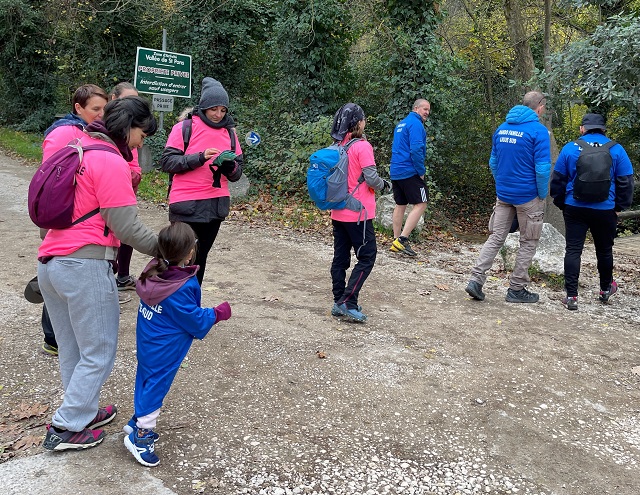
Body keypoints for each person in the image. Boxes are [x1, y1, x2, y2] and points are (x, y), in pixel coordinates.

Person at [38, 96, 159, 451]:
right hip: (85, 266)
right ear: (128, 128)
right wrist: (167, 250)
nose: (140, 144)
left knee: (74, 349)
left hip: (51, 264)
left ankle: (82, 410)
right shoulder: (109, 160)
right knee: (100, 350)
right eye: (141, 135)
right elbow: (126, 227)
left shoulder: (78, 149)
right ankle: (66, 426)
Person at [122, 222, 232, 466]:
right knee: (156, 386)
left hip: (148, 341)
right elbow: (194, 320)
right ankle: (141, 437)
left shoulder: (153, 270)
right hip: (166, 348)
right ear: (190, 252)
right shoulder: (181, 286)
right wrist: (218, 312)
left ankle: (136, 422)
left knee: (146, 379)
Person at [39, 84, 110, 356]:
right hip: (63, 215)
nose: (101, 114)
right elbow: (54, 179)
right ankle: (53, 337)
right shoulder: (65, 132)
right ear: (78, 108)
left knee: (63, 277)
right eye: (95, 109)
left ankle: (65, 338)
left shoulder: (87, 131)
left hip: (75, 215)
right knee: (60, 274)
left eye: (104, 108)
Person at [465, 91, 551, 303]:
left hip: (504, 195)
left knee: (496, 237)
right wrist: (541, 194)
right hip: (528, 196)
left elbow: (493, 163)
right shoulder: (539, 131)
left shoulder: (502, 128)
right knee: (528, 241)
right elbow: (542, 169)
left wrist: (502, 184)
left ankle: (476, 280)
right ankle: (516, 289)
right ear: (540, 106)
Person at [160, 77, 243, 285]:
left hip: (216, 204)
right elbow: (167, 162)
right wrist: (199, 157)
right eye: (214, 109)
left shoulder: (230, 134)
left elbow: (237, 173)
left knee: (200, 258)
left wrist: (230, 167)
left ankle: (192, 300)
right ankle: (171, 297)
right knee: (180, 258)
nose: (218, 114)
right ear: (204, 106)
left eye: (223, 110)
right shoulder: (184, 128)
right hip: (186, 203)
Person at [550, 113, 634, 311]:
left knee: (573, 250)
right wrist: (618, 207)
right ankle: (605, 289)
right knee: (604, 250)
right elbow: (626, 182)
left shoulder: (570, 148)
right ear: (603, 129)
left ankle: (571, 296)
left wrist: (562, 203)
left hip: (575, 207)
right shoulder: (616, 149)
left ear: (582, 128)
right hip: (605, 209)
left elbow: (558, 180)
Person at [328, 103, 391, 323]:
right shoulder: (362, 146)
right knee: (367, 256)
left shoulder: (336, 145)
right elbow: (371, 178)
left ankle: (339, 300)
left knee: (340, 258)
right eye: (363, 119)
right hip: (359, 214)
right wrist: (385, 184)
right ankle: (348, 301)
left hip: (338, 211)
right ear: (358, 123)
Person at [110, 82, 143, 292]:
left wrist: (127, 174)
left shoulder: (131, 135)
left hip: (125, 195)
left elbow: (136, 170)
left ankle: (121, 276)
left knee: (125, 233)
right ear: (113, 99)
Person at [389, 99, 431, 257]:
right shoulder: (416, 124)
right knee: (421, 203)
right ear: (416, 108)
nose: (427, 112)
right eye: (424, 109)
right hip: (409, 170)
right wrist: (421, 170)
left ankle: (396, 240)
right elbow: (416, 149)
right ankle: (402, 239)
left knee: (400, 204)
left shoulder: (401, 124)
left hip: (396, 170)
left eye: (428, 110)